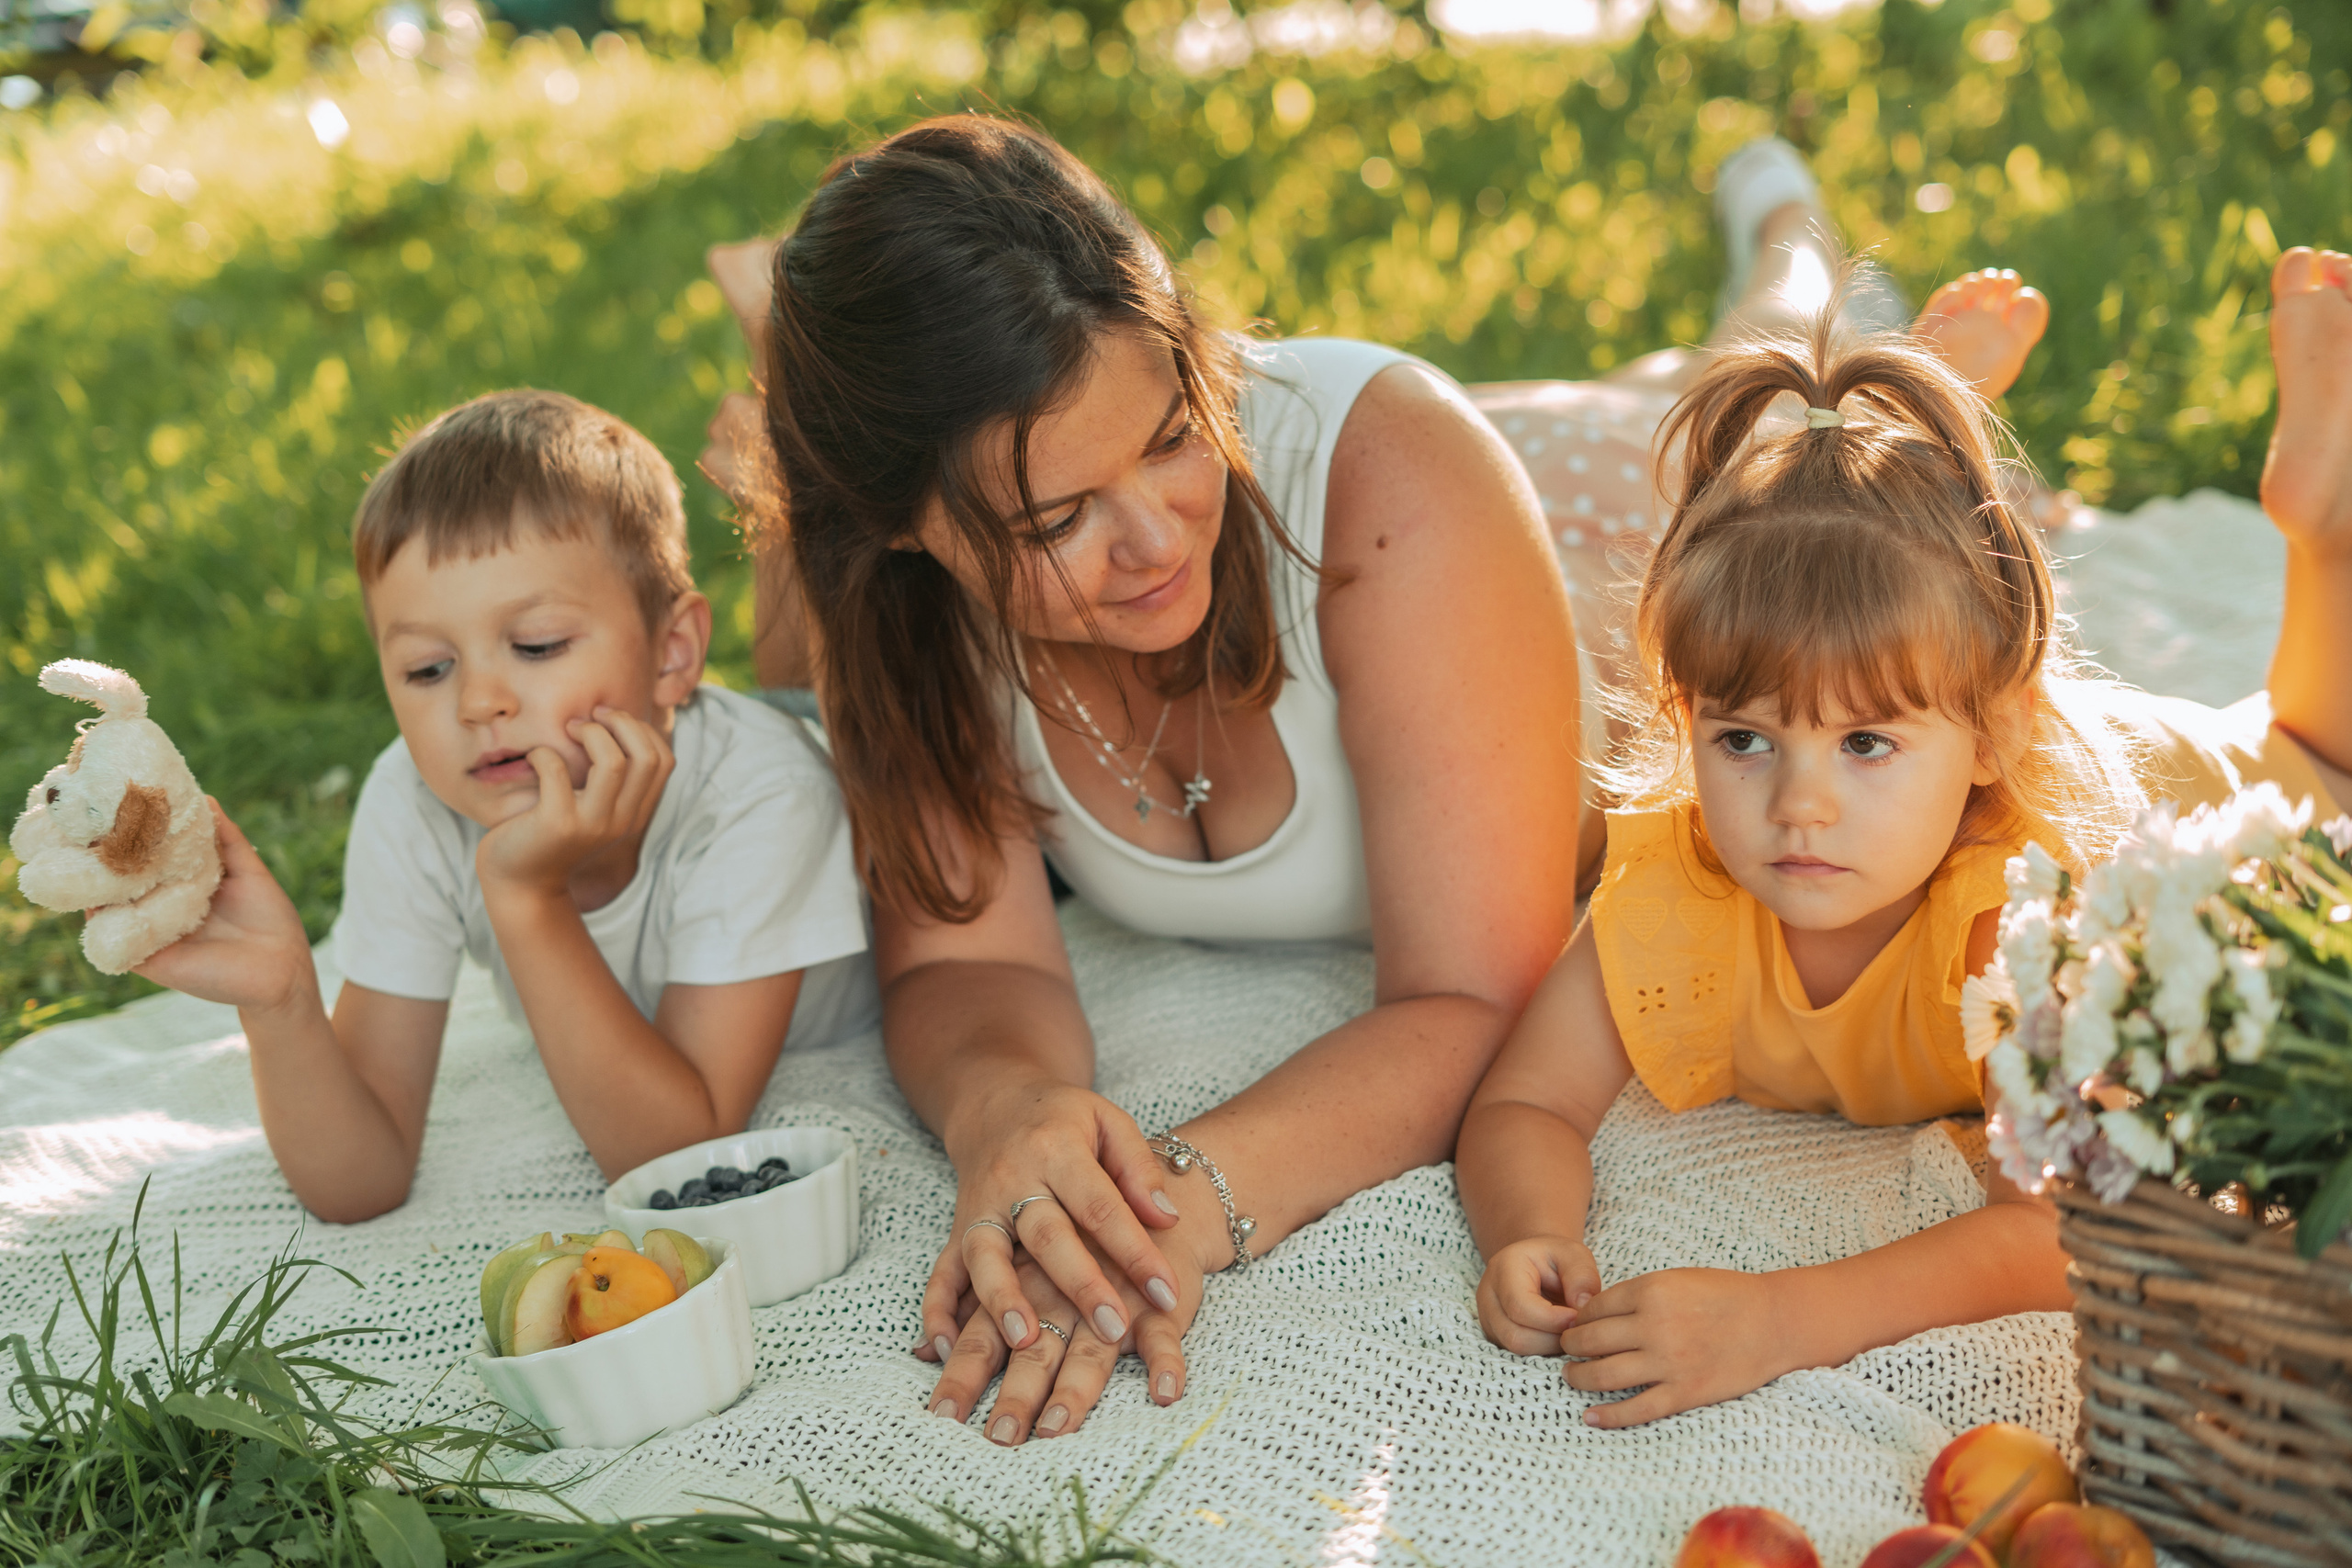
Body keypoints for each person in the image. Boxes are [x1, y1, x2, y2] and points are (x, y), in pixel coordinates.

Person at [701, 114, 1586, 1447]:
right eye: (1057, 518)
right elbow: (966, 961)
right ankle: (781, 357)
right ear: (905, 530)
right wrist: (1012, 1119)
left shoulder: (1392, 472)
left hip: (1570, 512)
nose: (1156, 541)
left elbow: (1478, 992)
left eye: (1173, 435)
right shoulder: (897, 601)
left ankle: (1782, 240)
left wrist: (1159, 1209)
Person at [1457, 242, 2352, 1428]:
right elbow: (1525, 1104)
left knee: (2315, 752)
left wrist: (1781, 1317)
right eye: (1743, 739)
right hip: (1954, 693)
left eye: (1863, 744)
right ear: (1685, 718)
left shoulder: (2020, 925)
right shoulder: (1679, 882)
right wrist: (1530, 1230)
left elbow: (2062, 1229)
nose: (1800, 804)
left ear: (1990, 734)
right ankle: (1904, 442)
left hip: (2177, 787)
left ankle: (2323, 522)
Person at [137, 389, 880, 1223]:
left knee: (841, 663)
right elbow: (358, 1184)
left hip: (861, 825)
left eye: (536, 645)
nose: (478, 702)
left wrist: (528, 895)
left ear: (673, 654)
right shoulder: (416, 799)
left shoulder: (763, 792)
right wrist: (281, 1001)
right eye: (427, 669)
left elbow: (677, 1161)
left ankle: (774, 400)